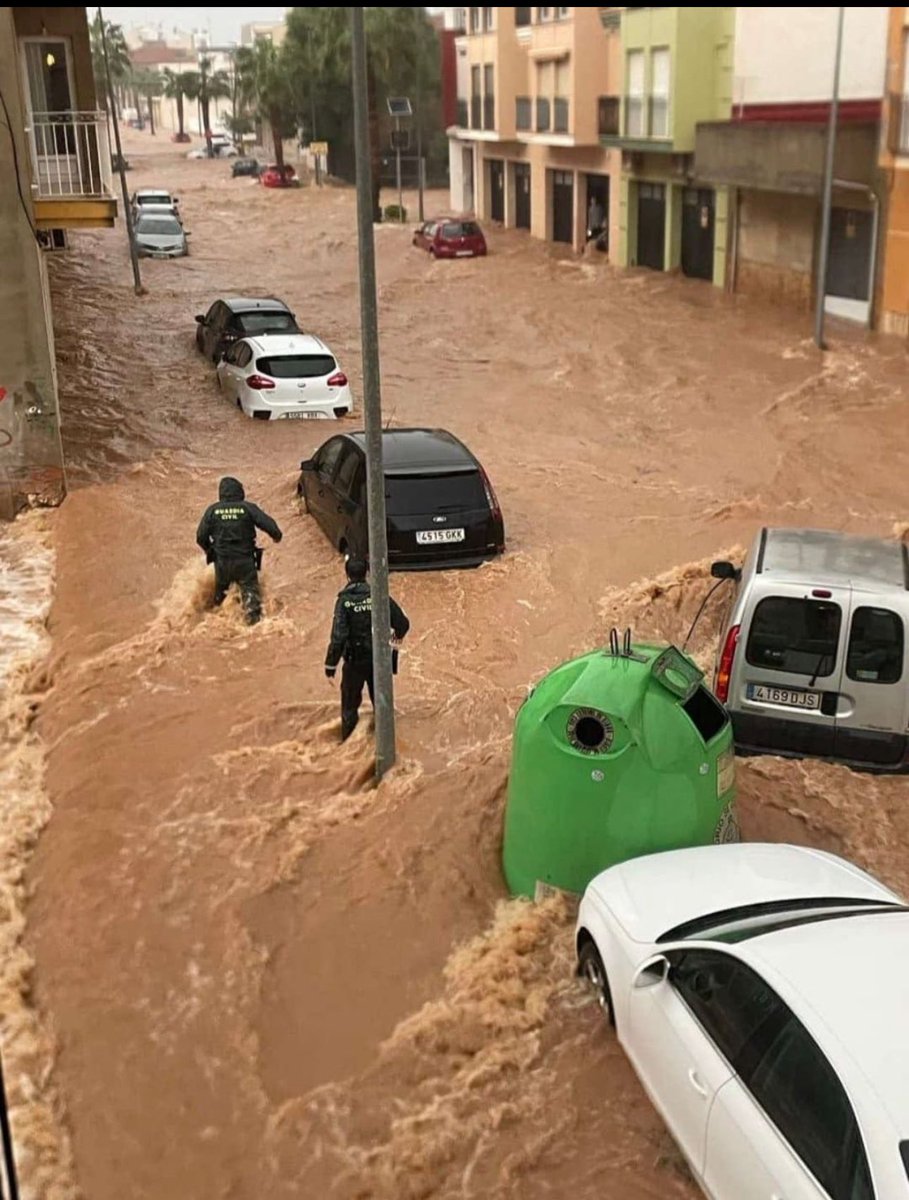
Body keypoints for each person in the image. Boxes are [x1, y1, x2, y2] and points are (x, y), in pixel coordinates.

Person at [324, 558, 410, 741]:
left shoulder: (345, 602)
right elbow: (402, 623)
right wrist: (395, 641)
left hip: (354, 662)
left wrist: (330, 664)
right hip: (379, 660)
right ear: (367, 573)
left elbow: (338, 636)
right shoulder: (379, 596)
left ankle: (348, 747)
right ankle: (386, 743)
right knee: (382, 704)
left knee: (349, 706)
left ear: (347, 575)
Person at [196, 476, 282, 625]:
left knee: (220, 602)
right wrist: (277, 537)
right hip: (245, 563)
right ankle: (254, 634)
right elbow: (271, 527)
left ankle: (216, 630)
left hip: (222, 563)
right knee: (252, 605)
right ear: (240, 492)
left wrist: (210, 551)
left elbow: (200, 537)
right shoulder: (247, 508)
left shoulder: (212, 511)